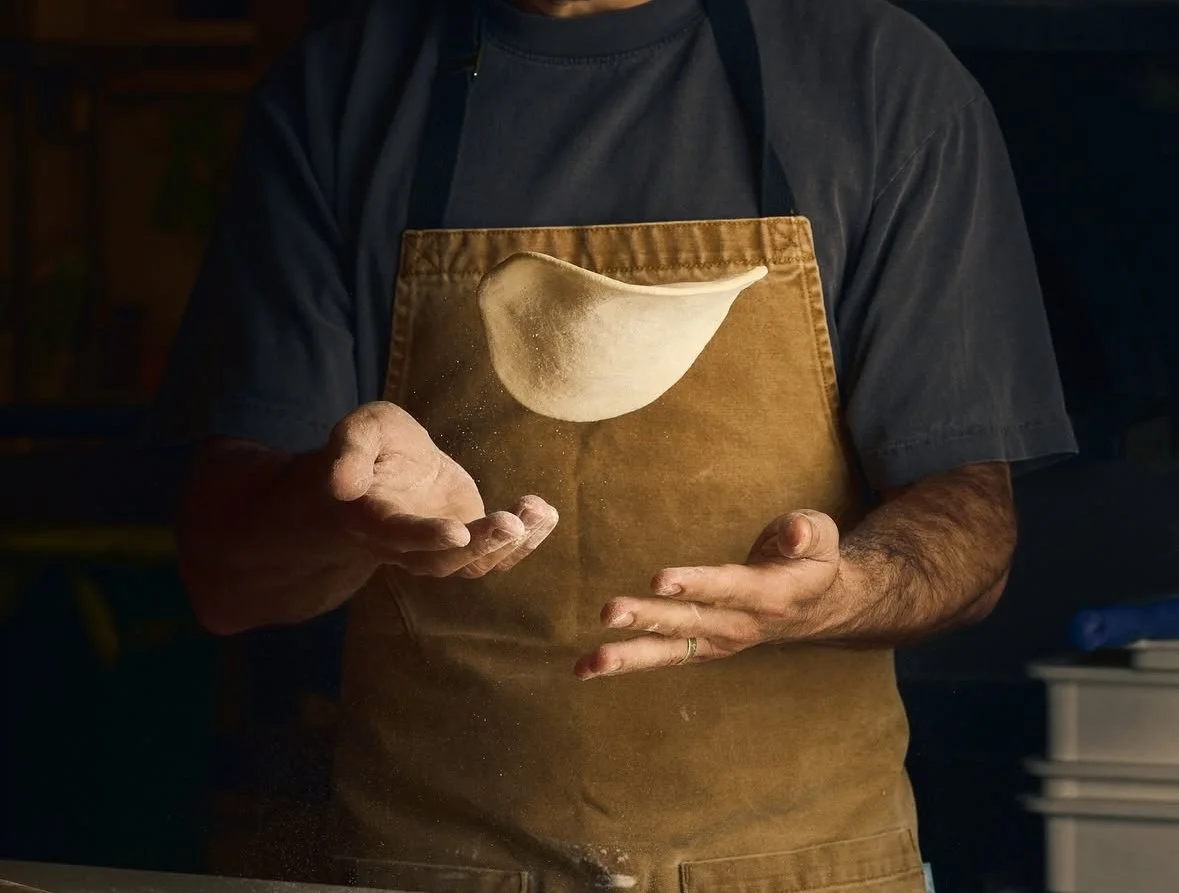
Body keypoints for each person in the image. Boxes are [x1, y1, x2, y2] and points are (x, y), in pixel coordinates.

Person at [151, 0, 1078, 890]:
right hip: (431, 865)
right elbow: (229, 585)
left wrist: (836, 593)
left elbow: (971, 521)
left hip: (797, 865)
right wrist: (346, 509)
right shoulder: (336, 97)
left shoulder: (882, 81)